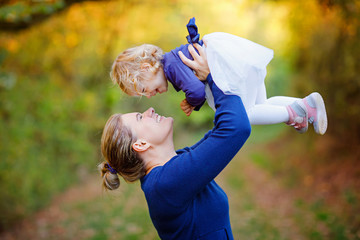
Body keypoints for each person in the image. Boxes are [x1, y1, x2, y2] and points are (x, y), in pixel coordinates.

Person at [100, 44, 251, 239]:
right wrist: (212, 76)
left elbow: (226, 127)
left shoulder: (174, 166)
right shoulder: (165, 185)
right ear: (140, 145)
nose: (150, 110)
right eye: (140, 117)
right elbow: (235, 128)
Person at [110, 17, 328, 135]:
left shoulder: (173, 67)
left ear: (148, 66)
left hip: (232, 70)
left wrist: (192, 102)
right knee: (263, 104)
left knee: (245, 114)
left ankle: (295, 114)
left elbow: (196, 91)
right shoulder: (173, 62)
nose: (147, 96)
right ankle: (305, 104)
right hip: (241, 64)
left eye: (142, 88)